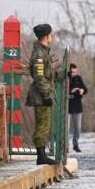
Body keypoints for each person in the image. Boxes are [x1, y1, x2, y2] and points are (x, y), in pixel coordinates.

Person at [26, 23, 58, 165]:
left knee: (45, 124)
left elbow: (47, 74)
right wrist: (47, 95)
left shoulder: (43, 51)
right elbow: (39, 77)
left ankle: (42, 154)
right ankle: (41, 155)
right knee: (43, 125)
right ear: (46, 36)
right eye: (50, 34)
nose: (52, 37)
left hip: (43, 94)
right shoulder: (39, 54)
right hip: (41, 96)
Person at [68, 63, 88, 152]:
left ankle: (75, 144)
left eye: (75, 72)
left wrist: (82, 91)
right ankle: (65, 146)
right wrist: (71, 91)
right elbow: (60, 91)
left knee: (77, 128)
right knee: (66, 128)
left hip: (77, 106)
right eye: (72, 72)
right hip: (67, 107)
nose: (74, 74)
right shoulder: (65, 79)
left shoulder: (78, 78)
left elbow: (85, 89)